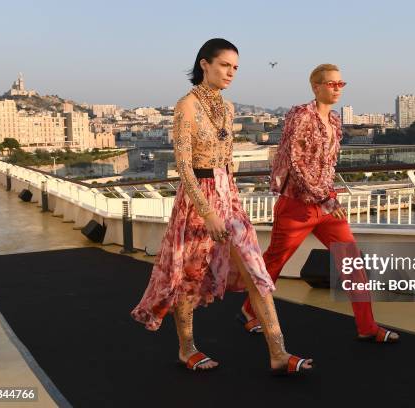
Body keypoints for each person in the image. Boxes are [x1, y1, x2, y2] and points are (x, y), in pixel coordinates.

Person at [131, 38, 313, 374]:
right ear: (205, 64)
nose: (231, 73)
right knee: (187, 274)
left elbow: (226, 160)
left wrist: (230, 201)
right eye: (224, 65)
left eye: (235, 68)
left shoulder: (228, 108)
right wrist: (207, 211)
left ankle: (279, 352)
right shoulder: (186, 106)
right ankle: (187, 349)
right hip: (198, 198)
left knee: (256, 272)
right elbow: (184, 168)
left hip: (228, 196)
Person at [239, 64, 400, 343]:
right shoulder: (300, 115)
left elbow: (327, 164)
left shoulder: (336, 120)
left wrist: (330, 196)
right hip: (297, 205)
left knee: (352, 262)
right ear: (316, 87)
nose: (337, 89)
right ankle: (249, 308)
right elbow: (293, 160)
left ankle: (367, 326)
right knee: (275, 262)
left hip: (327, 206)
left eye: (341, 84)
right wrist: (323, 196)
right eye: (331, 84)